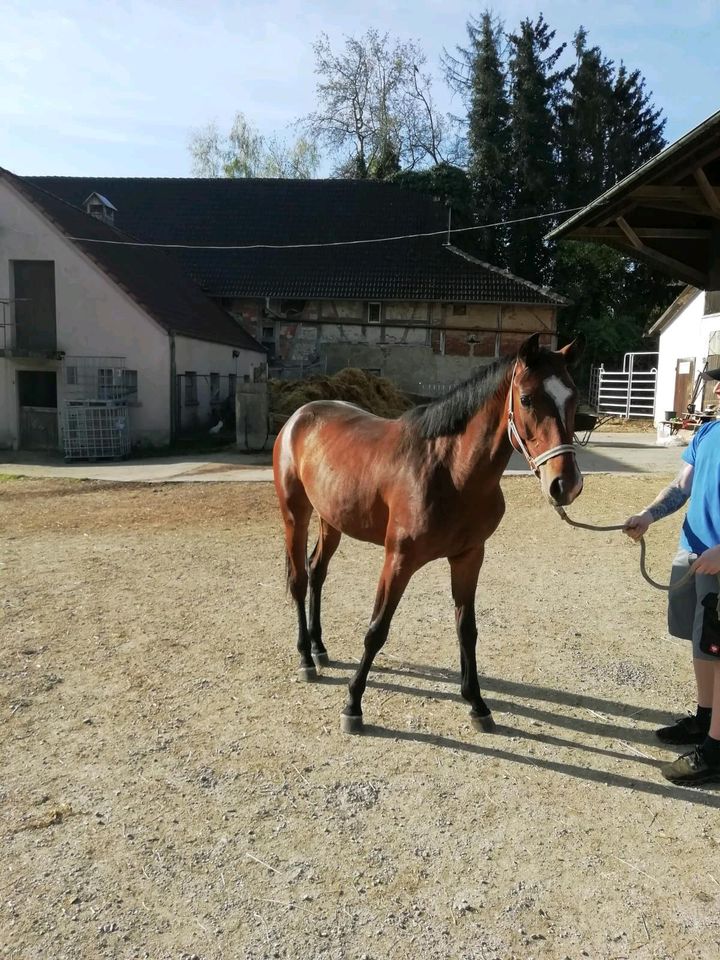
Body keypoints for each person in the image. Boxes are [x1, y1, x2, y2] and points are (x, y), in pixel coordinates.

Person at [624, 368, 720, 786]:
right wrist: (648, 514)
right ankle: (705, 719)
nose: (717, 388)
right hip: (696, 553)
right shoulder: (708, 433)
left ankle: (716, 753)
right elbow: (683, 485)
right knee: (704, 643)